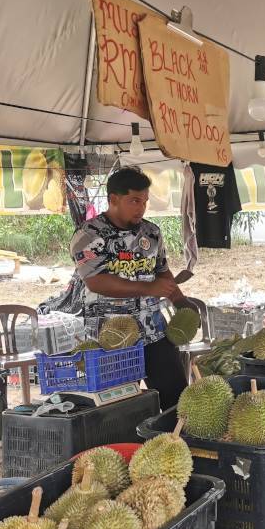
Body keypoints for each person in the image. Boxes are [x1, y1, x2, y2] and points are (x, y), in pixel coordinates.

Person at [70, 166, 190, 410]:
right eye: (134, 200)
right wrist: (148, 289)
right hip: (110, 338)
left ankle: (179, 444)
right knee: (118, 409)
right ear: (113, 199)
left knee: (177, 401)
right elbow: (95, 280)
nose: (141, 208)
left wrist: (180, 302)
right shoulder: (88, 235)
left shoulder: (151, 232)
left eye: (144, 201)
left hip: (153, 330)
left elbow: (162, 272)